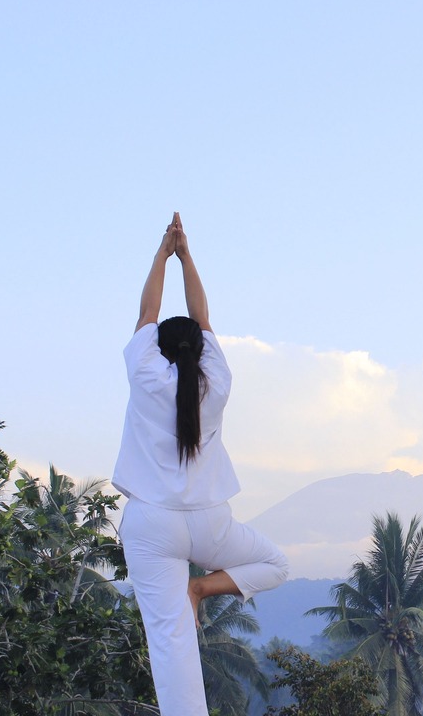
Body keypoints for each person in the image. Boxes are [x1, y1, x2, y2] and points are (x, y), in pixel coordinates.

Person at [114, 212, 289, 715]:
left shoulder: (147, 377)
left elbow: (147, 314)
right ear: (198, 351)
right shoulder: (216, 385)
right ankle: (204, 587)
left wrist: (161, 256)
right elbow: (203, 318)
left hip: (153, 524)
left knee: (172, 647)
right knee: (274, 564)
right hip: (210, 521)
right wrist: (188, 256)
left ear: (161, 352)